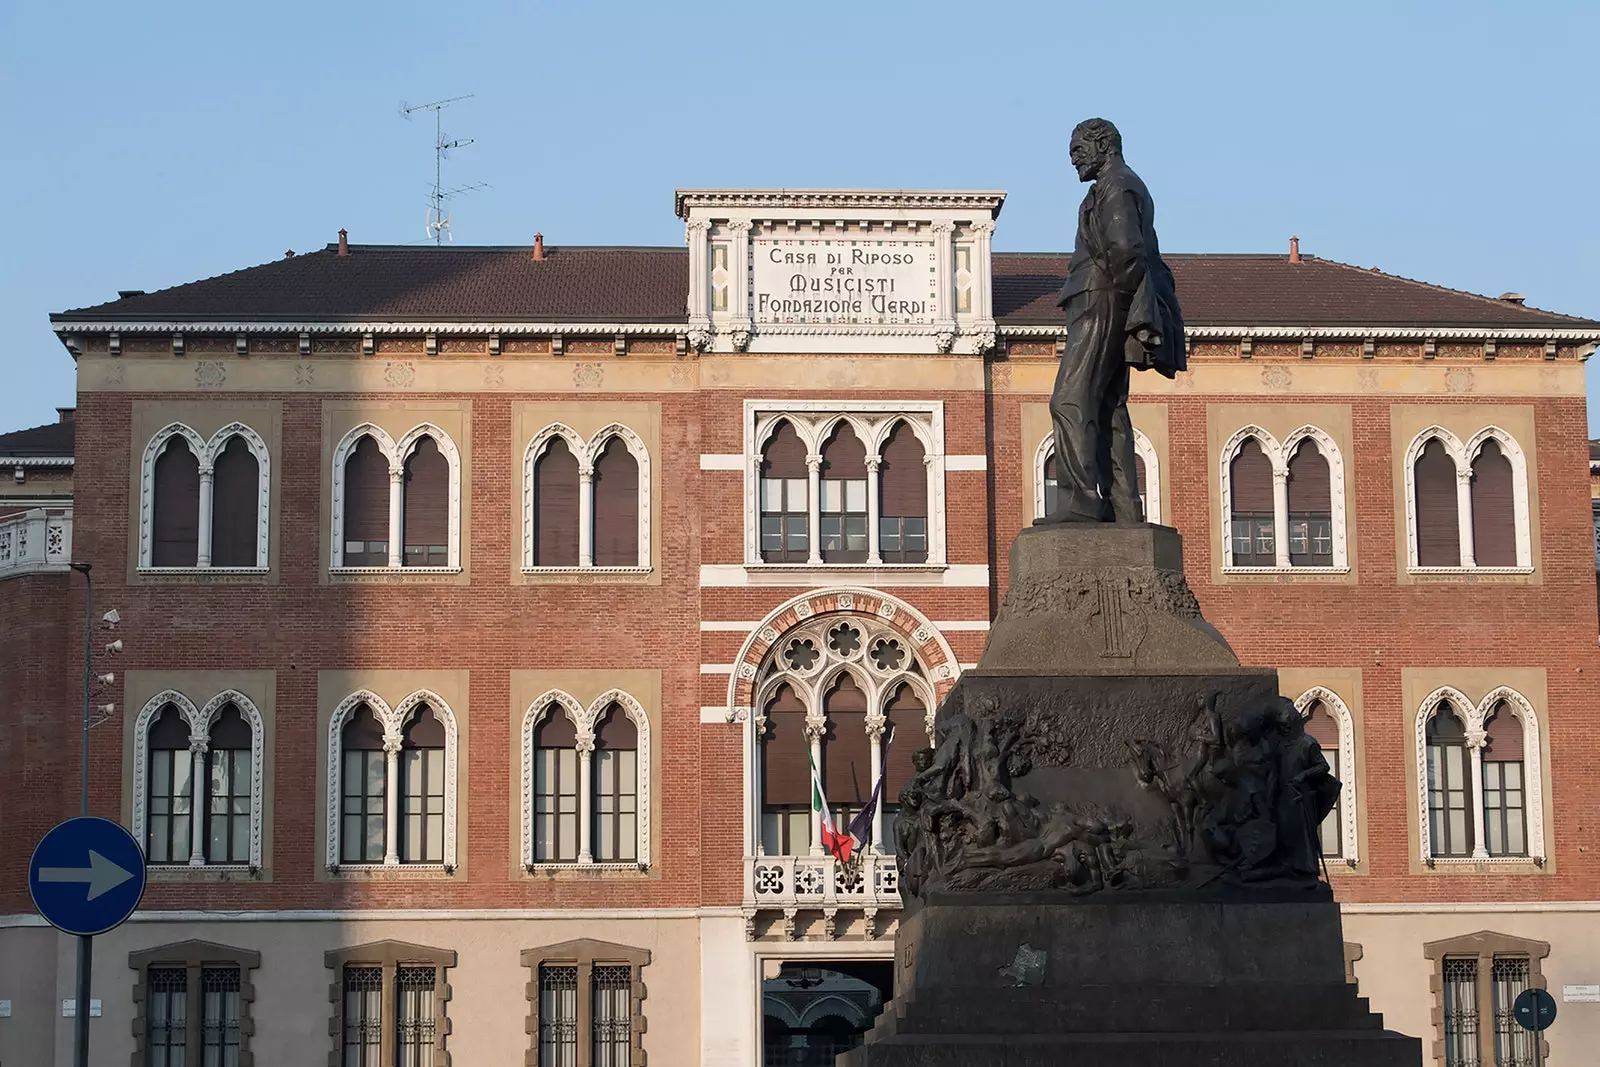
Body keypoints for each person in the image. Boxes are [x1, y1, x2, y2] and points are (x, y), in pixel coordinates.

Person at [1038, 118, 1185, 524]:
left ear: (1104, 145)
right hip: (1105, 299)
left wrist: (1117, 305)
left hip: (1101, 300)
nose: (1073, 160)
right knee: (1108, 409)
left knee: (1070, 401)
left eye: (1078, 150)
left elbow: (1127, 250)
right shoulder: (1112, 186)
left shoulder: (1117, 185)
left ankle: (1080, 503)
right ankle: (1124, 506)